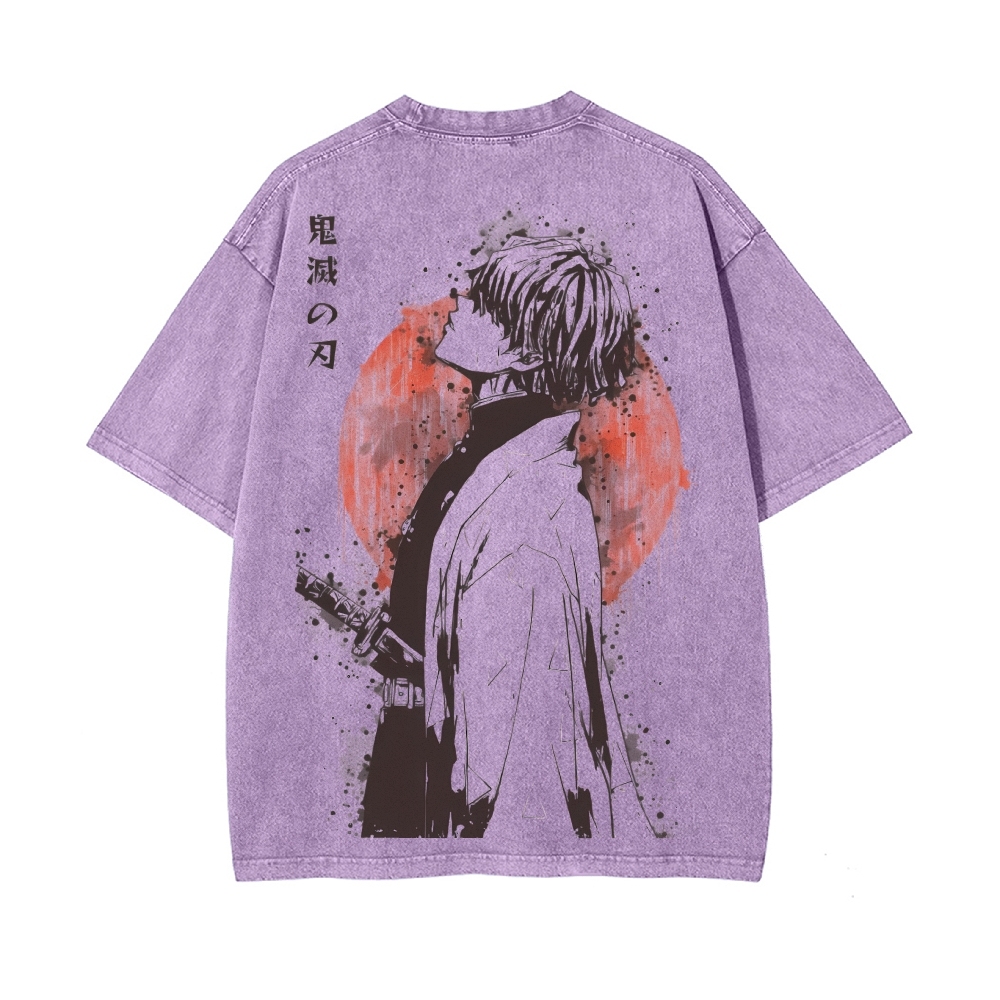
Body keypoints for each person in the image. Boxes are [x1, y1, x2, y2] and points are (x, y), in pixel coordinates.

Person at [362, 236, 649, 839]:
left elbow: (519, 748)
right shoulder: (490, 457)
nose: (457, 299)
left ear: (524, 346)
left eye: (482, 300)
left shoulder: (530, 508)